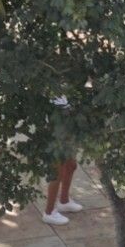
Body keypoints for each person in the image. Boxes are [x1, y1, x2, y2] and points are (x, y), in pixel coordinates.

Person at [41, 94, 82, 226]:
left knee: (71, 165)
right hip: (56, 128)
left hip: (68, 124)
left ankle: (64, 201)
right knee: (57, 170)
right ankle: (49, 212)